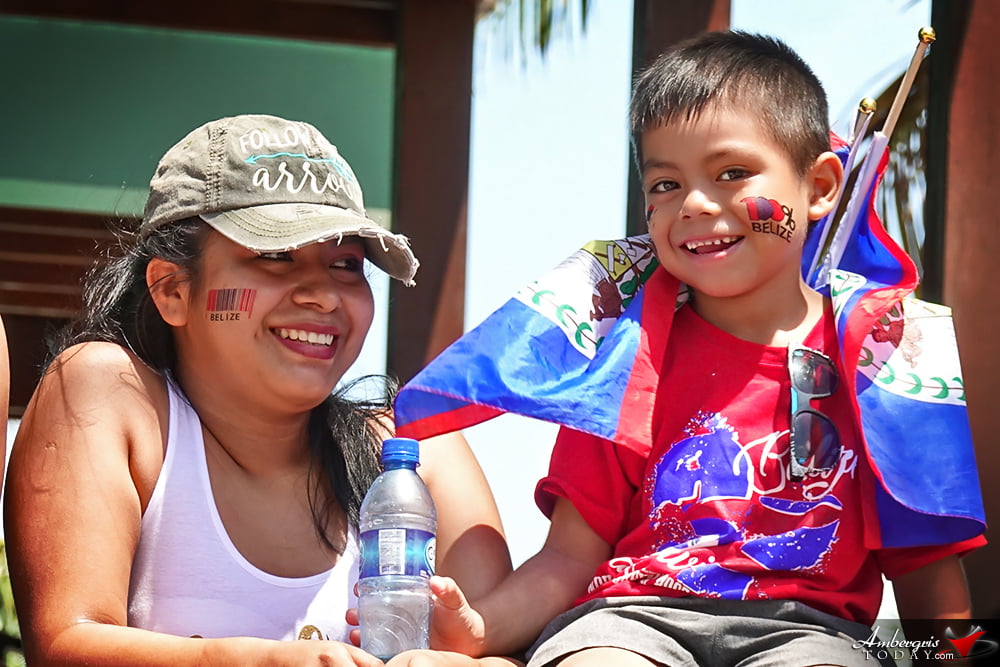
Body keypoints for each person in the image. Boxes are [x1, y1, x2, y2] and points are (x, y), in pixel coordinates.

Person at [391, 31, 987, 667]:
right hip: (629, 623)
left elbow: (930, 581)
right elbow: (568, 555)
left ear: (819, 188)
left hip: (810, 635)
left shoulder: (885, 364)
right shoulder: (622, 356)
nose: (696, 204)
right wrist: (480, 632)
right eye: (665, 185)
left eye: (732, 173)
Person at [2, 113, 514, 666]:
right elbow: (63, 647)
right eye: (275, 255)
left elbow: (508, 648)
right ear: (172, 289)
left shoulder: (420, 454)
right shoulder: (106, 391)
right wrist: (269, 661)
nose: (322, 295)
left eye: (346, 264)